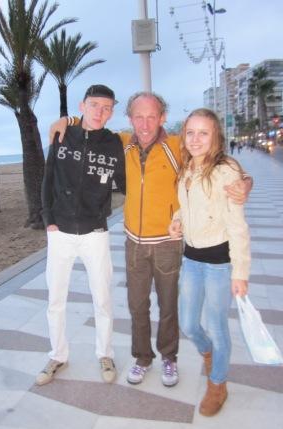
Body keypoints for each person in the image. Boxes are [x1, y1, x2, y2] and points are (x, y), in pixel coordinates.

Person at [49, 92, 252, 388]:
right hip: (133, 242)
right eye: (138, 117)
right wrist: (66, 120)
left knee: (168, 306)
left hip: (167, 243)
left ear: (163, 118)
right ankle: (142, 358)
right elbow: (93, 123)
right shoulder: (122, 143)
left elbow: (214, 159)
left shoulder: (176, 146)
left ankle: (169, 358)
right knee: (137, 305)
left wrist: (246, 181)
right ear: (130, 119)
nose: (145, 124)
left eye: (152, 116)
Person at [36, 84, 126, 386]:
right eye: (95, 105)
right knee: (55, 298)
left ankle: (105, 353)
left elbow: (127, 182)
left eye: (107, 107)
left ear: (112, 111)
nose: (100, 112)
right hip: (59, 230)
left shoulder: (115, 144)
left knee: (102, 297)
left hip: (95, 232)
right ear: (82, 106)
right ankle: (57, 355)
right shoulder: (63, 135)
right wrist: (48, 218)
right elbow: (47, 178)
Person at [169, 108, 250, 416]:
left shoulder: (226, 170)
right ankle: (210, 355)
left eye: (204, 133)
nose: (196, 139)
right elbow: (188, 206)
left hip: (218, 264)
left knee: (216, 327)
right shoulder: (188, 167)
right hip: (191, 259)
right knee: (189, 323)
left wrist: (239, 272)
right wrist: (178, 220)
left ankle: (218, 383)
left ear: (215, 136)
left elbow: (237, 226)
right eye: (190, 132)